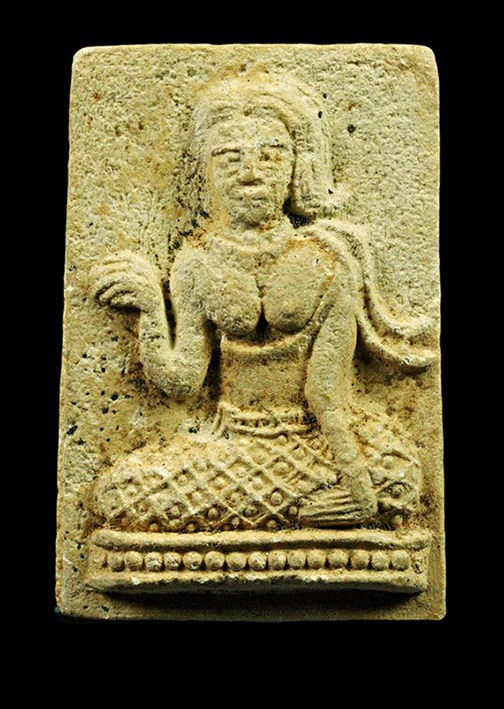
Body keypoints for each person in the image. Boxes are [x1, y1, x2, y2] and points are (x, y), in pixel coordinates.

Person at [89, 69, 434, 533]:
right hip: (230, 443)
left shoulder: (327, 257)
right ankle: (290, 516)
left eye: (270, 156)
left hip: (318, 445)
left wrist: (357, 488)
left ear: (297, 168)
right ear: (205, 171)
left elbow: (326, 393)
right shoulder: (195, 262)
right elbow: (183, 381)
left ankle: (264, 516)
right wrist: (151, 310)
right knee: (119, 491)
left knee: (397, 477)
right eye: (229, 158)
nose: (249, 172)